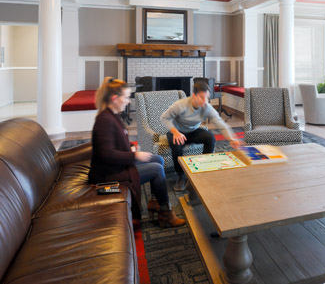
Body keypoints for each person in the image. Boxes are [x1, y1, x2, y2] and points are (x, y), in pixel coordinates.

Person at [89, 77, 185, 228]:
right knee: (157, 169)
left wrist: (130, 148)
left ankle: (154, 201)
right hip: (108, 174)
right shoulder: (105, 120)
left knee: (158, 159)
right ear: (115, 98)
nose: (128, 101)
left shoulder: (112, 115)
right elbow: (106, 154)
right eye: (126, 97)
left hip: (116, 166)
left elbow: (116, 143)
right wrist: (134, 155)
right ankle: (166, 214)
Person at [161, 80, 241, 191]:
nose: (205, 101)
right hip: (177, 132)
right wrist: (175, 132)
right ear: (194, 96)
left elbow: (220, 123)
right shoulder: (181, 105)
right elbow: (164, 118)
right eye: (202, 97)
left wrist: (231, 138)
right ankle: (181, 176)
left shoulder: (207, 107)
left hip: (193, 131)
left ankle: (204, 168)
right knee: (177, 144)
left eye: (207, 98)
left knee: (210, 137)